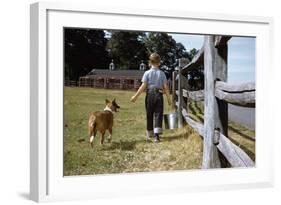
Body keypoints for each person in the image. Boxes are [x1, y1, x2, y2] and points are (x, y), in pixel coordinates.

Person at [130, 53, 171, 142]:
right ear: (159, 63)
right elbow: (166, 87)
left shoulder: (147, 73)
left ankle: (150, 133)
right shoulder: (162, 73)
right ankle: (157, 136)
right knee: (158, 114)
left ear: (149, 62)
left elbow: (143, 86)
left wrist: (135, 97)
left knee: (149, 114)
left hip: (150, 95)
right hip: (159, 94)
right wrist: (168, 99)